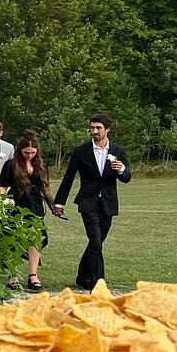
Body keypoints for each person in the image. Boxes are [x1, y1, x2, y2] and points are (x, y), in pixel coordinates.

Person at [53, 113, 132, 291]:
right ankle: (99, 282)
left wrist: (121, 169)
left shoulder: (118, 151)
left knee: (97, 242)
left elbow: (127, 178)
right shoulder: (81, 152)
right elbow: (68, 178)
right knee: (95, 239)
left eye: (98, 128)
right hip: (87, 202)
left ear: (107, 129)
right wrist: (59, 202)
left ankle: (83, 276)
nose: (94, 131)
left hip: (108, 203)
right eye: (92, 127)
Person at [0, 129, 52, 291]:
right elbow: (3, 187)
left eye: (33, 152)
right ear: (20, 150)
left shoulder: (40, 165)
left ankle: (33, 275)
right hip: (16, 205)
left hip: (35, 206)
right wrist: (1, 204)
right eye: (26, 152)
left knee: (36, 238)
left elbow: (45, 188)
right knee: (14, 240)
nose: (30, 155)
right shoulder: (11, 164)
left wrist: (55, 206)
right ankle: (13, 275)